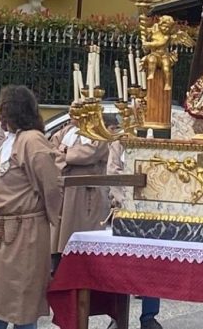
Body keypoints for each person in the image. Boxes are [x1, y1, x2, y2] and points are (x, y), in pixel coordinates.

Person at [0, 85, 62, 329]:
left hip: (23, 232)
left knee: (22, 298)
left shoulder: (32, 140)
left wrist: (46, 218)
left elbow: (51, 185)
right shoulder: (11, 140)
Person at [107, 134, 162, 329]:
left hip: (152, 211)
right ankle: (117, 316)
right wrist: (127, 200)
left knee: (151, 265)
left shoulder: (160, 138)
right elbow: (113, 172)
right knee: (120, 265)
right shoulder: (119, 141)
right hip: (124, 209)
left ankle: (149, 316)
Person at [50, 117, 110, 255]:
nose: (72, 116)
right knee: (60, 234)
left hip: (87, 193)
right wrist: (67, 156)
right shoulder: (66, 131)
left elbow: (91, 154)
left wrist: (66, 152)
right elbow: (52, 151)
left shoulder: (99, 133)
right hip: (65, 190)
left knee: (83, 237)